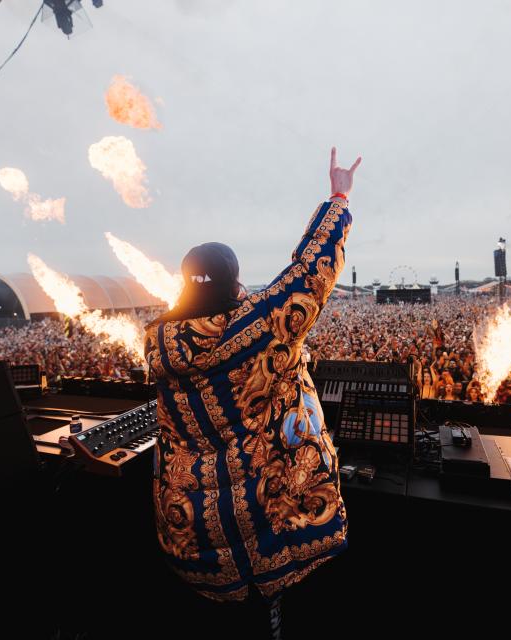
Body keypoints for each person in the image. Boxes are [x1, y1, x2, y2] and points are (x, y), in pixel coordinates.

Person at [143, 147, 360, 637]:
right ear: (235, 280)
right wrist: (338, 197)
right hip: (279, 518)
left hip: (196, 534)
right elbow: (313, 271)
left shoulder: (158, 341)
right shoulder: (260, 324)